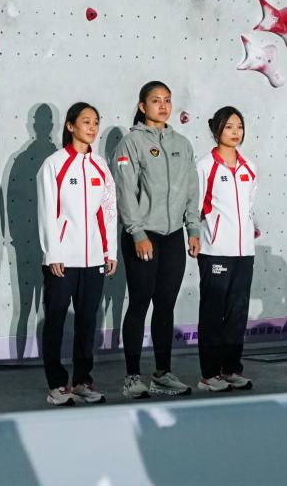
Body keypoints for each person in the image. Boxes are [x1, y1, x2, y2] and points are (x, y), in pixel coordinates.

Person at [111, 81, 200, 398]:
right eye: (156, 100)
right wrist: (137, 232)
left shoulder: (182, 144)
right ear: (142, 106)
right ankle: (132, 377)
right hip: (142, 236)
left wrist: (193, 229)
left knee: (165, 306)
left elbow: (191, 189)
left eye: (167, 100)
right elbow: (124, 191)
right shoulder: (130, 143)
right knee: (139, 303)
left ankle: (163, 374)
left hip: (173, 237)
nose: (163, 106)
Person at [37, 102, 117, 406]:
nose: (92, 127)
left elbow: (108, 211)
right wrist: (53, 253)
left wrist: (109, 250)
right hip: (62, 260)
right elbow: (48, 212)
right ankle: (57, 385)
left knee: (87, 322)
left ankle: (83, 381)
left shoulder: (100, 166)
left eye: (96, 122)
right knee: (56, 321)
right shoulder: (54, 164)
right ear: (70, 126)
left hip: (94, 259)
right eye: (86, 121)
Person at [195, 106, 258, 392]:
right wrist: (196, 236)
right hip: (215, 250)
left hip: (244, 252)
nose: (235, 132)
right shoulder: (205, 166)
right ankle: (209, 374)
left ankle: (231, 369)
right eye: (229, 127)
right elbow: (195, 207)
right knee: (213, 313)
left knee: (237, 312)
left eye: (239, 127)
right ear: (216, 129)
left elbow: (248, 205)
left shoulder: (249, 167)